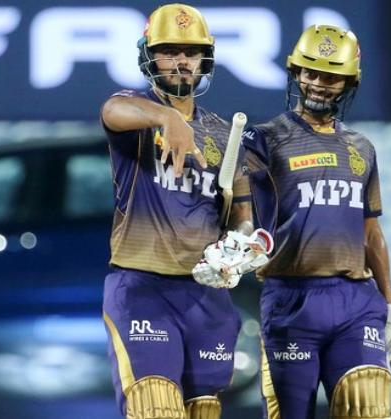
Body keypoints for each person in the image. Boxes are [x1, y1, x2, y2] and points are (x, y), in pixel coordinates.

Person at [99, 4, 270, 418]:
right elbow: (111, 111)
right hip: (142, 290)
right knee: (155, 407)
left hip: (206, 297)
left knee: (203, 411)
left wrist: (238, 247)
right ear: (148, 57)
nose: (180, 61)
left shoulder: (224, 134)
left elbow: (241, 216)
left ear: (204, 60)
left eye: (190, 52)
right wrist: (167, 118)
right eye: (168, 51)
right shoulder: (137, 115)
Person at [240, 25, 391, 419]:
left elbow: (370, 231)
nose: (319, 84)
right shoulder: (263, 139)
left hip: (356, 300)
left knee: (367, 410)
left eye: (331, 76)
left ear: (348, 83)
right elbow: (237, 205)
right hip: (291, 297)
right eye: (311, 73)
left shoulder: (362, 148)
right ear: (296, 73)